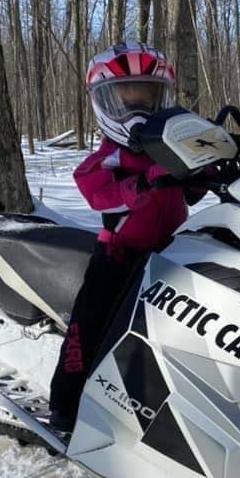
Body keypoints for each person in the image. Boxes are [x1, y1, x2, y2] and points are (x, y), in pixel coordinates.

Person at [48, 41, 204, 433]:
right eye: (125, 99)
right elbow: (100, 193)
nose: (136, 109)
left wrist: (202, 176)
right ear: (105, 103)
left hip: (171, 252)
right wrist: (144, 181)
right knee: (89, 327)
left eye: (146, 98)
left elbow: (187, 190)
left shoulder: (170, 150)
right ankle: (65, 406)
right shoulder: (104, 161)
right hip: (118, 257)